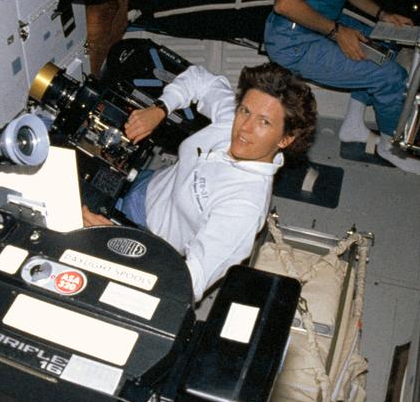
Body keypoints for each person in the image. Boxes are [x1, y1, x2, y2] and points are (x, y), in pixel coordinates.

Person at [82, 62, 317, 299]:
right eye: (245, 111)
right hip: (144, 181)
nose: (244, 128)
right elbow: (201, 79)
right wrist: (161, 109)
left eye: (264, 122)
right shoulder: (233, 121)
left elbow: (185, 283)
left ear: (285, 139)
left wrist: (120, 243)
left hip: (140, 233)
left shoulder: (243, 208)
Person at [264, 0, 420, 172]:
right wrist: (337, 32)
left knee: (388, 43)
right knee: (390, 77)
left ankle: (352, 126)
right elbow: (284, 4)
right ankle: (391, 145)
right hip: (293, 41)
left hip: (316, 27)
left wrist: (381, 15)